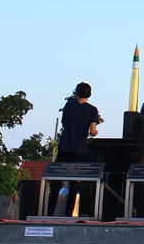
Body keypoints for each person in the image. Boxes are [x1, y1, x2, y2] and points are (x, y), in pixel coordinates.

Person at [49, 82, 100, 217]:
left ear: (76, 92)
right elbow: (93, 131)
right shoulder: (92, 110)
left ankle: (49, 213)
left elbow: (64, 123)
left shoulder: (69, 105)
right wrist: (96, 131)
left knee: (56, 182)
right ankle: (68, 215)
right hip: (80, 149)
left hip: (65, 146)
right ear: (89, 94)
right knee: (74, 184)